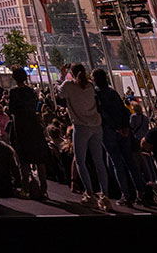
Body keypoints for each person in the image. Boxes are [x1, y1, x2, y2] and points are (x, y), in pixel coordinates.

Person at [55, 63, 110, 210]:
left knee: (80, 161)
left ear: (71, 73)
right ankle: (105, 196)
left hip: (81, 126)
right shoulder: (90, 86)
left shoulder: (69, 85)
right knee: (99, 162)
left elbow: (59, 93)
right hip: (96, 125)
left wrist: (61, 75)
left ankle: (90, 194)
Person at [93, 68, 146, 206]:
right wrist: (125, 127)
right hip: (123, 131)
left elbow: (103, 113)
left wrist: (115, 128)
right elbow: (123, 110)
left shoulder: (97, 94)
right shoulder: (113, 92)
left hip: (109, 130)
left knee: (117, 163)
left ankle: (126, 194)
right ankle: (140, 191)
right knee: (130, 162)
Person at [7, 67, 48, 199]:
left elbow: (12, 109)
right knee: (39, 158)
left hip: (21, 126)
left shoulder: (13, 92)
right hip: (34, 126)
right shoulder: (31, 91)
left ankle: (26, 189)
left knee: (23, 159)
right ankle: (43, 188)